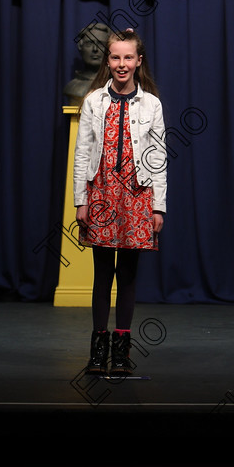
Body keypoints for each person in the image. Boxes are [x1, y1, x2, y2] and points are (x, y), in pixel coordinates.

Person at [73, 28, 167, 376]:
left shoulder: (151, 104)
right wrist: (80, 201)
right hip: (102, 195)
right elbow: (82, 154)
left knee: (128, 276)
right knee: (102, 275)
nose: (121, 64)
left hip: (137, 196)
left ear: (139, 61)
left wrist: (159, 206)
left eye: (128, 57)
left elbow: (158, 157)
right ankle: (97, 351)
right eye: (115, 57)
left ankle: (121, 353)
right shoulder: (94, 101)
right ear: (108, 61)